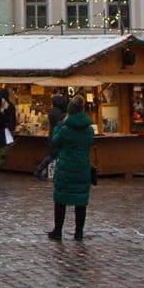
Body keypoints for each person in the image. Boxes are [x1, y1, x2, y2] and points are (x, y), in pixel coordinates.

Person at [48, 94, 94, 241]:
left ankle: (58, 230)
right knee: (81, 201)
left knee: (61, 198)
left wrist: (57, 128)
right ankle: (78, 232)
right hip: (82, 167)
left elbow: (55, 142)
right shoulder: (89, 129)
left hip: (66, 166)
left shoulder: (65, 128)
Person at [34, 93, 69, 180]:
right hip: (56, 134)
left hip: (52, 134)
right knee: (55, 155)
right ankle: (41, 171)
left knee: (53, 155)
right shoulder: (58, 113)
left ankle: (42, 172)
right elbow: (61, 124)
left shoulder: (53, 111)